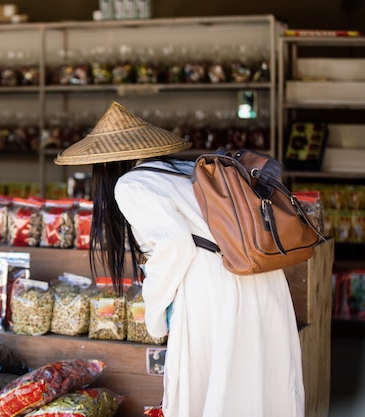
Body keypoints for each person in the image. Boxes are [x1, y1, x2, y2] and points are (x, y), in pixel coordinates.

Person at [54, 101, 304, 417]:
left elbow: (173, 248)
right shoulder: (185, 169)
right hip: (259, 277)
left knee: (214, 387)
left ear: (104, 164)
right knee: (259, 382)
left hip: (215, 288)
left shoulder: (131, 184)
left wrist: (154, 314)